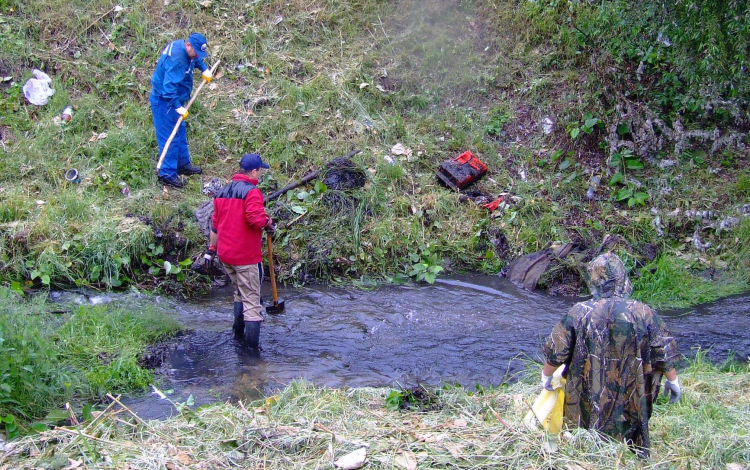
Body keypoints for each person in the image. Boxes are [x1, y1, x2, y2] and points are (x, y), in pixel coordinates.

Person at [541, 252, 681, 458]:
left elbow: (556, 350)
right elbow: (663, 350)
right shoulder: (643, 312)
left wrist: (546, 375)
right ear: (623, 279)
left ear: (595, 280)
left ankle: (588, 450)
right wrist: (673, 381)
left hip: (587, 399)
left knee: (584, 435)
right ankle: (632, 451)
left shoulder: (580, 312)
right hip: (632, 396)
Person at [204, 153, 276, 348]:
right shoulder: (252, 192)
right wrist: (269, 222)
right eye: (260, 171)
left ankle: (237, 337)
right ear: (253, 171)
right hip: (245, 256)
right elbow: (255, 220)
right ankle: (252, 355)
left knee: (239, 293)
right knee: (252, 303)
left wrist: (211, 250)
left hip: (226, 255)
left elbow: (215, 225)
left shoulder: (223, 192)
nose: (260, 175)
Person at [150, 32, 213, 188]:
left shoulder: (186, 49)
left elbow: (196, 58)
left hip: (175, 100)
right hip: (165, 102)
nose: (197, 55)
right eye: (196, 52)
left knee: (180, 132)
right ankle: (167, 174)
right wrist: (177, 107)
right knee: (169, 136)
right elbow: (168, 89)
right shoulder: (177, 59)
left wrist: (204, 69)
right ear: (188, 45)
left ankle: (182, 164)